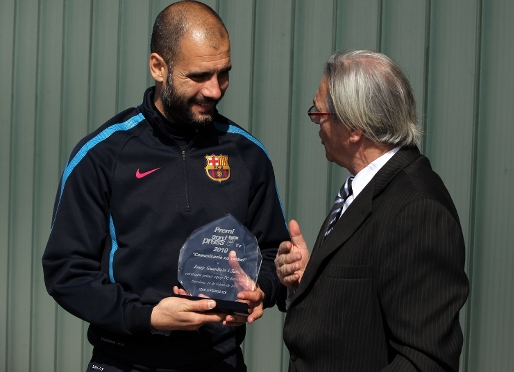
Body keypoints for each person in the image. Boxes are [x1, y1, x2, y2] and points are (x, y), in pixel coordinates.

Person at [42, 1, 289, 371]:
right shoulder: (103, 154)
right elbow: (66, 270)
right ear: (159, 67)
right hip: (125, 361)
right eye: (199, 76)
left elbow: (272, 251)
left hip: (220, 362)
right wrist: (148, 317)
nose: (215, 90)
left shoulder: (247, 154)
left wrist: (263, 292)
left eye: (224, 74)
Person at [275, 50, 469, 372]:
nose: (315, 123)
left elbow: (424, 360)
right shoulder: (367, 187)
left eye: (319, 113)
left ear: (354, 128)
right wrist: (312, 276)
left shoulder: (417, 210)